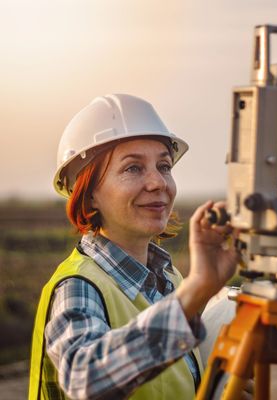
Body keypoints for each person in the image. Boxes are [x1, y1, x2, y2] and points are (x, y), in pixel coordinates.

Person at [29, 94, 240, 399]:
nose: (158, 183)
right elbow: (85, 380)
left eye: (164, 166)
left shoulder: (168, 282)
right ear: (88, 194)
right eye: (133, 168)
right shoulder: (79, 286)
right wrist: (197, 290)